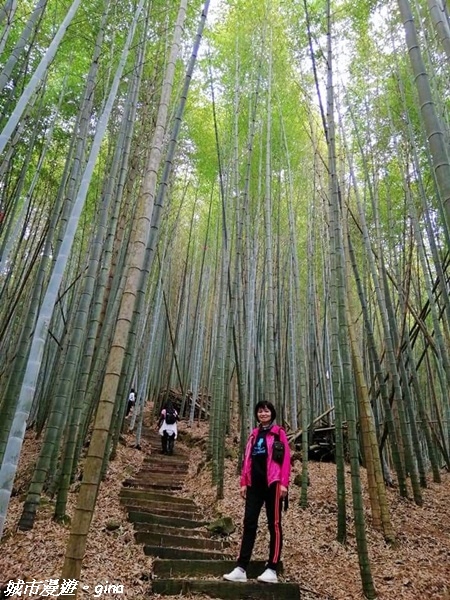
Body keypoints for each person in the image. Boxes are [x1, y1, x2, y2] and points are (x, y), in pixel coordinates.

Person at [223, 400, 291, 584]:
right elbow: (247, 460)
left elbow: (286, 460)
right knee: (249, 523)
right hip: (254, 485)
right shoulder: (254, 435)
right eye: (260, 411)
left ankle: (272, 569)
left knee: (274, 525)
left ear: (272, 413)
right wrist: (244, 482)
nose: (263, 414)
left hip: (274, 484)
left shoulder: (279, 433)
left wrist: (284, 483)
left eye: (267, 411)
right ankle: (241, 567)